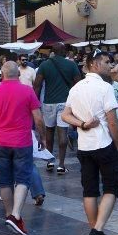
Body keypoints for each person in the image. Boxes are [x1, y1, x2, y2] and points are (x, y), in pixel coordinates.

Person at [61, 51, 118, 235]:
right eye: (106, 62)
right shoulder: (105, 88)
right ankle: (97, 230)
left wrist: (82, 124)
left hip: (85, 146)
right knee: (112, 187)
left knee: (89, 190)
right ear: (94, 64)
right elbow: (112, 121)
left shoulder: (76, 88)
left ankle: (95, 233)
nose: (109, 65)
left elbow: (65, 115)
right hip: (104, 143)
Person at [0, 62, 46, 235]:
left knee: (4, 180)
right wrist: (42, 137)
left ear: (1, 74)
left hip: (2, 142)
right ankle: (16, 215)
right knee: (23, 179)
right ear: (18, 73)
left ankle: (9, 214)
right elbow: (38, 119)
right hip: (22, 142)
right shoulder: (27, 91)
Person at [33, 43, 81, 175]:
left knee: (49, 132)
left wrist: (33, 103)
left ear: (52, 52)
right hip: (65, 103)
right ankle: (61, 164)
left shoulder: (44, 65)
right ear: (64, 51)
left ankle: (50, 161)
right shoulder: (71, 65)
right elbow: (78, 85)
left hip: (48, 103)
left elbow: (37, 85)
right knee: (63, 133)